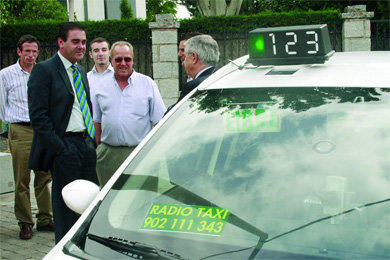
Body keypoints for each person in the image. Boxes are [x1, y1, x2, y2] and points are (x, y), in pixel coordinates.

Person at [27, 22, 98, 244]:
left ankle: (86, 246)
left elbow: (83, 106)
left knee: (90, 202)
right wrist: (59, 148)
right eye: (75, 41)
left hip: (86, 145)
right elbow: (38, 116)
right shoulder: (44, 70)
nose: (81, 46)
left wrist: (91, 141)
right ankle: (67, 249)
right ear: (61, 42)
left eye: (84, 42)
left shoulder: (80, 72)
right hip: (64, 147)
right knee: (66, 206)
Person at [0, 34, 53, 240]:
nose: (31, 55)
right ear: (19, 51)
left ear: (38, 53)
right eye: (27, 51)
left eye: (34, 51)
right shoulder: (6, 75)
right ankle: (25, 222)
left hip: (43, 129)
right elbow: (2, 105)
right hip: (20, 129)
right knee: (22, 179)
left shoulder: (43, 72)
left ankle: (45, 218)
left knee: (43, 177)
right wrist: (12, 126)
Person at [92, 41, 166, 187]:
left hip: (139, 154)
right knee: (109, 200)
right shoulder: (101, 87)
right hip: (108, 155)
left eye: (127, 59)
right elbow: (97, 122)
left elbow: (158, 121)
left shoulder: (147, 84)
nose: (123, 63)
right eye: (118, 59)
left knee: (140, 198)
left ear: (133, 59)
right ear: (111, 60)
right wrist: (100, 150)